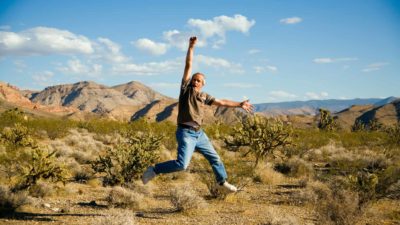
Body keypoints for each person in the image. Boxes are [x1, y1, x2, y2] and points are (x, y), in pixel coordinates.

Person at [142, 36, 254, 192]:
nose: (195, 81)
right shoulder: (185, 90)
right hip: (185, 133)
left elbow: (222, 102)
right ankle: (154, 170)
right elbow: (188, 65)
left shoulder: (205, 96)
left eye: (198, 80)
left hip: (199, 134)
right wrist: (191, 47)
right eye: (194, 79)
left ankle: (221, 183)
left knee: (215, 158)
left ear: (203, 84)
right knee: (182, 165)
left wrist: (240, 104)